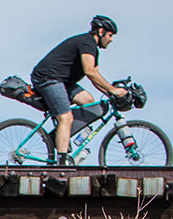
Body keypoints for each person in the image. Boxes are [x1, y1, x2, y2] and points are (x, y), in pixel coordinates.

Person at [31, 15, 129, 164]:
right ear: (101, 31)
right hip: (48, 78)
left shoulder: (92, 49)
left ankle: (58, 135)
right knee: (66, 117)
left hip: (61, 80)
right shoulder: (87, 42)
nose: (111, 40)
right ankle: (61, 162)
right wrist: (113, 90)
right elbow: (90, 72)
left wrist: (109, 92)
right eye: (110, 35)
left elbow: (95, 77)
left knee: (88, 101)